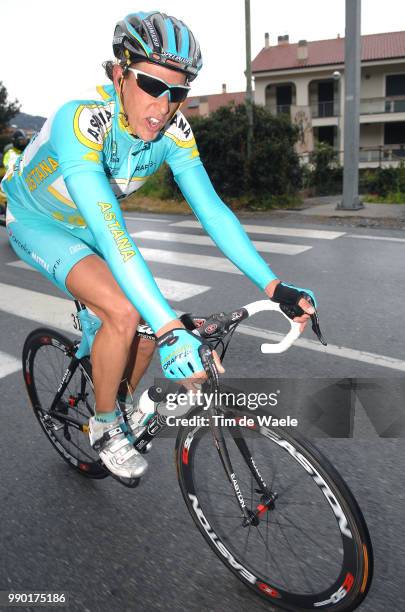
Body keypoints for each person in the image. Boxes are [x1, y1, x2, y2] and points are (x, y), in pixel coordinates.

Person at [1, 11, 316, 480]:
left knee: (146, 330)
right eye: (152, 85)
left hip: (89, 225)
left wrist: (273, 286)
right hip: (39, 222)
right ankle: (104, 426)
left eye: (178, 92)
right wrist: (172, 327)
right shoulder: (82, 121)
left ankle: (117, 399)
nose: (164, 106)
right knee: (127, 313)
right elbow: (113, 234)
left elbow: (212, 212)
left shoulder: (173, 132)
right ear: (118, 72)